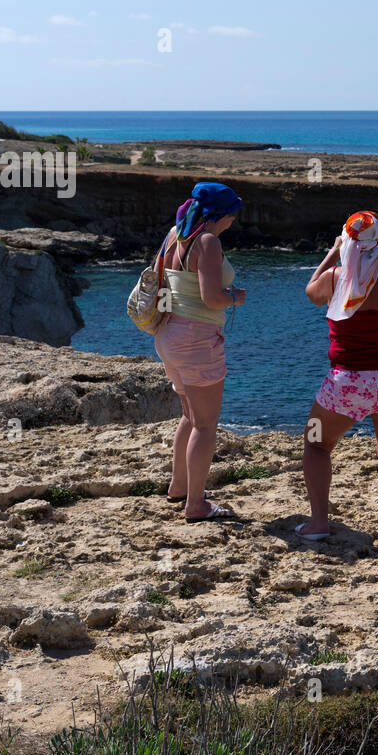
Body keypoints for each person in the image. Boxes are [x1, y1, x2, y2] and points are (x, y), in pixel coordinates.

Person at [299, 211, 378, 553]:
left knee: (315, 443)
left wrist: (333, 252)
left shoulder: (336, 278)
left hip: (349, 381)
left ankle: (318, 523)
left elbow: (311, 292)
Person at [152, 182, 246, 522]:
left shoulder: (176, 234)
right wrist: (235, 297)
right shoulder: (208, 242)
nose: (233, 221)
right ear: (220, 215)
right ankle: (196, 505)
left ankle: (179, 488)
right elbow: (211, 298)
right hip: (196, 339)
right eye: (232, 214)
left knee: (191, 417)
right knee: (205, 426)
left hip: (168, 335)